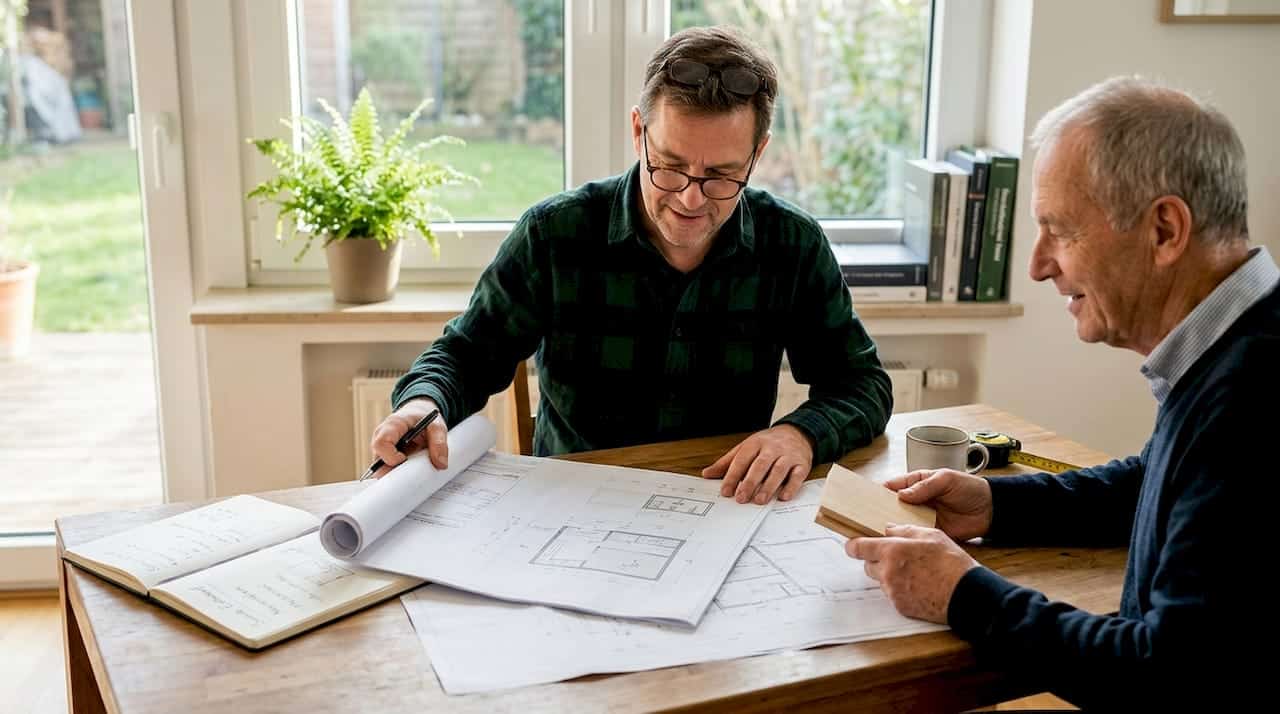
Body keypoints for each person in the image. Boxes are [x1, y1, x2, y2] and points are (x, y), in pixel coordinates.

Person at [846, 75, 1277, 709]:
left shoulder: (1254, 397)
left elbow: (1169, 676)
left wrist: (965, 595)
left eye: (1061, 231)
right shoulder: (1239, 342)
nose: (1039, 265)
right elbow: (1160, 480)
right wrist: (995, 504)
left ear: (1164, 231)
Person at [369, 26, 893, 504]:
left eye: (721, 175)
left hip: (719, 507)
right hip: (571, 505)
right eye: (669, 166)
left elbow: (862, 383)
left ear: (758, 154)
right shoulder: (555, 234)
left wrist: (799, 433)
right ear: (638, 131)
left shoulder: (792, 244)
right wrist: (422, 404)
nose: (690, 199)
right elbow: (466, 355)